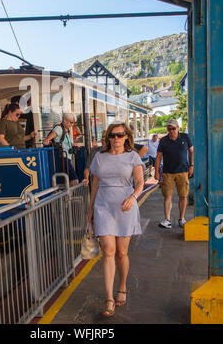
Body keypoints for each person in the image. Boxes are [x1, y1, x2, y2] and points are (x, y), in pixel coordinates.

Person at [86, 122, 144, 317]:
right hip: (103, 206)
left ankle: (122, 286)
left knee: (121, 252)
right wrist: (90, 210)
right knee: (108, 251)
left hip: (125, 207)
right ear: (108, 137)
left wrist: (133, 198)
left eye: (120, 135)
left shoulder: (133, 156)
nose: (116, 139)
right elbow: (95, 185)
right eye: (112, 135)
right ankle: (109, 298)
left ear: (126, 136)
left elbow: (140, 183)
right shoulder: (99, 157)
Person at [154, 119, 194, 229]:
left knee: (183, 195)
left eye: (173, 128)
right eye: (169, 129)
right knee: (167, 196)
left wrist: (192, 165)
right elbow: (158, 157)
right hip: (168, 173)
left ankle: (182, 218)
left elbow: (191, 151)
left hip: (183, 171)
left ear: (178, 128)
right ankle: (167, 220)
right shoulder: (163, 141)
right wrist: (156, 172)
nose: (171, 131)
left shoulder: (185, 137)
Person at [43, 113, 79, 186]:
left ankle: (67, 196)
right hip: (62, 158)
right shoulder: (59, 129)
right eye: (71, 122)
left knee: (68, 180)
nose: (72, 125)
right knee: (74, 180)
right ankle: (68, 196)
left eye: (73, 123)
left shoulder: (65, 130)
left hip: (66, 158)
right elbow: (46, 140)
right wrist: (48, 142)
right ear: (65, 120)